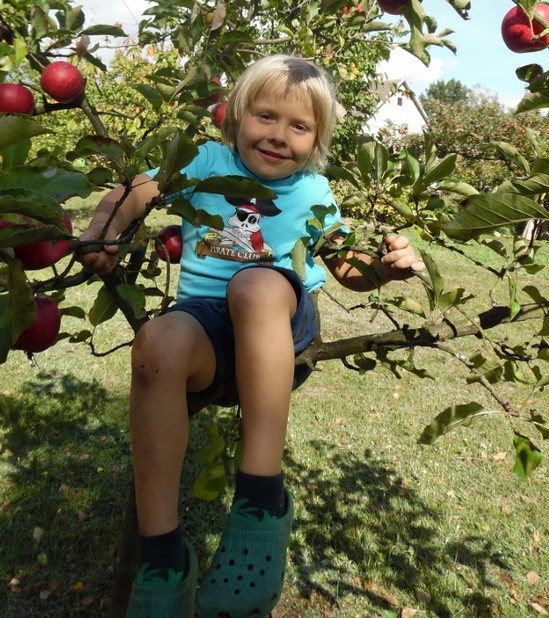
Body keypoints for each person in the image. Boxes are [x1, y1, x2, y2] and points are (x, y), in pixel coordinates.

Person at [79, 55, 425, 618]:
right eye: (266, 116)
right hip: (209, 328)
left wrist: (384, 268)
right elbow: (138, 190)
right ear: (237, 114)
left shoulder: (314, 191)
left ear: (316, 141)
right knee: (157, 345)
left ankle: (260, 500)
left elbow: (346, 266)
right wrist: (103, 229)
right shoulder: (206, 162)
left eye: (299, 126)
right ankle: (162, 559)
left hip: (282, 319)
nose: (279, 136)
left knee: (256, 285)